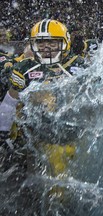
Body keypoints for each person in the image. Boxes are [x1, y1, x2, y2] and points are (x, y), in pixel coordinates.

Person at [0, 19, 85, 182]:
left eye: (52, 43)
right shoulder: (25, 68)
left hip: (75, 136)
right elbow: (10, 100)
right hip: (39, 139)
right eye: (41, 43)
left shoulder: (77, 66)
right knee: (45, 185)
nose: (46, 48)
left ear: (65, 42)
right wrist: (3, 130)